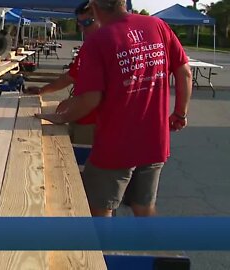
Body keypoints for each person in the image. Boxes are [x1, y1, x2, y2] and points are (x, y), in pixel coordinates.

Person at [35, 0, 193, 217]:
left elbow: (91, 99)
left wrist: (61, 117)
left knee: (100, 210)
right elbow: (185, 72)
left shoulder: (98, 40)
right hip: (155, 139)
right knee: (143, 206)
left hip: (115, 144)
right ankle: (155, 246)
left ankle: (100, 250)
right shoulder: (157, 25)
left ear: (94, 6)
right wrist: (179, 113)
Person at [25, 1, 100, 144]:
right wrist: (42, 90)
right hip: (80, 116)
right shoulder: (89, 47)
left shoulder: (106, 47)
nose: (83, 28)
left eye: (88, 22)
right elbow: (71, 77)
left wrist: (73, 104)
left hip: (94, 121)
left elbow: (103, 93)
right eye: (80, 23)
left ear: (101, 17)